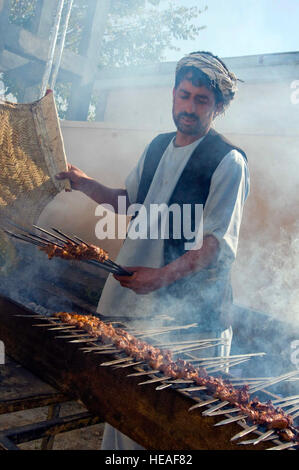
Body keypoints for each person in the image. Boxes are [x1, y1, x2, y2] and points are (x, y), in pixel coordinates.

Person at [56, 51, 250, 450]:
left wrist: (160, 277)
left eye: (202, 100)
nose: (189, 108)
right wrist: (86, 183)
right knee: (127, 413)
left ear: (219, 107)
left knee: (174, 429)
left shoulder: (227, 161)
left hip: (190, 320)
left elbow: (215, 247)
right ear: (173, 93)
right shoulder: (158, 146)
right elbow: (131, 203)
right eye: (184, 95)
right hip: (136, 306)